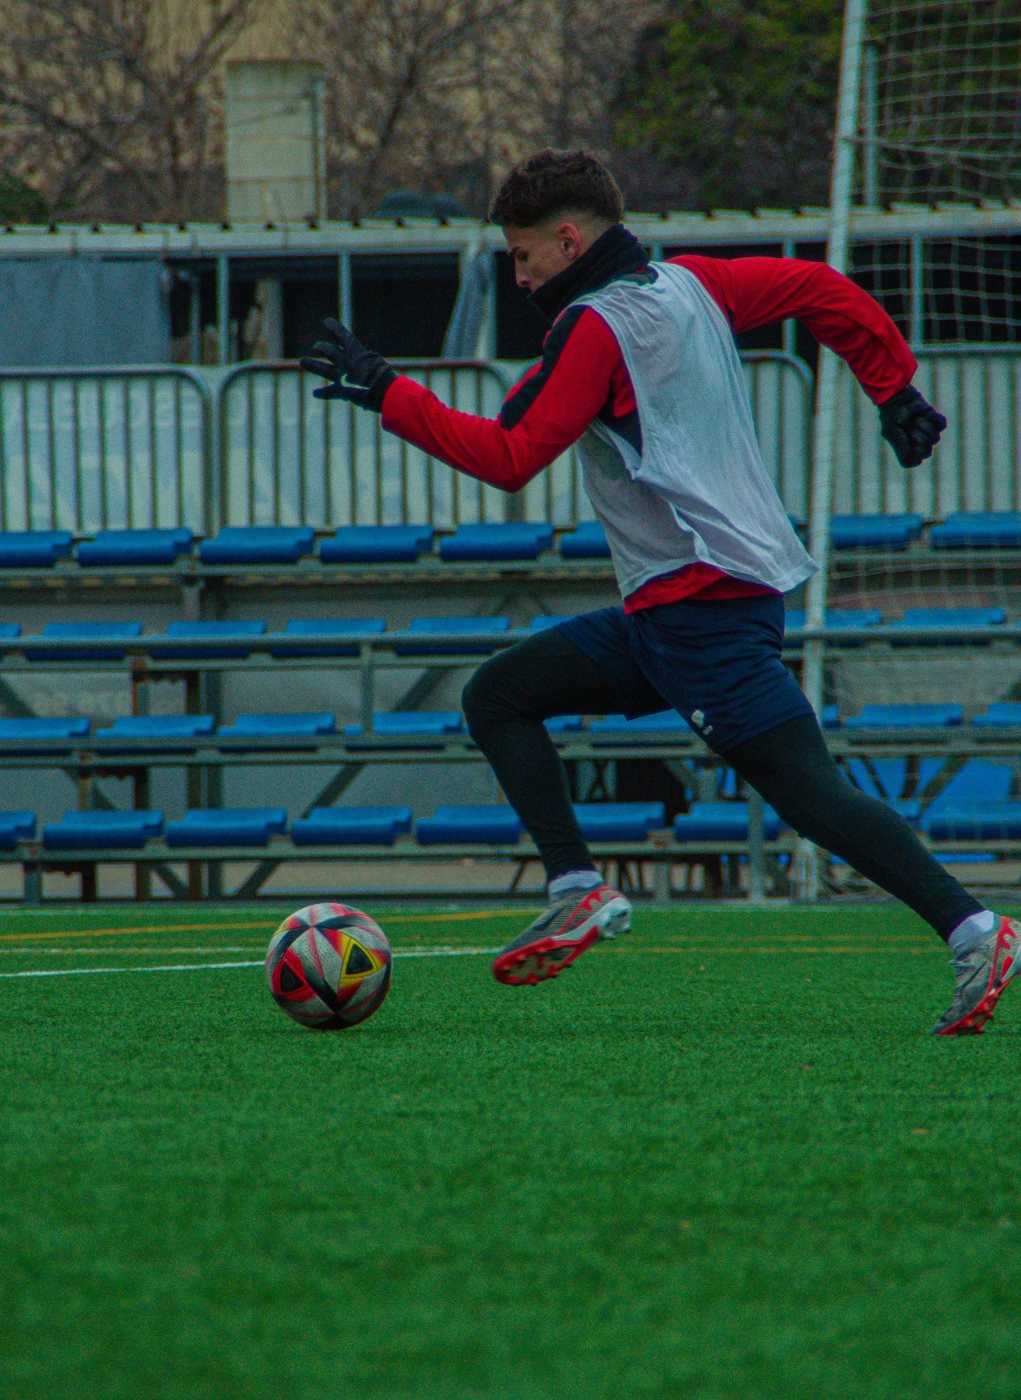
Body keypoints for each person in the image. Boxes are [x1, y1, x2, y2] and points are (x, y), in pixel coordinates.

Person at [302, 147, 1018, 1036]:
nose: (520, 279)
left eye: (524, 257)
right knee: (501, 696)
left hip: (700, 611)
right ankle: (576, 888)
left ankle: (976, 928)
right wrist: (893, 383)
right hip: (681, 606)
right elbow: (820, 289)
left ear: (568, 241)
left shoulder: (595, 328)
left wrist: (385, 390)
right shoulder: (689, 284)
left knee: (807, 793)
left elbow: (509, 455)